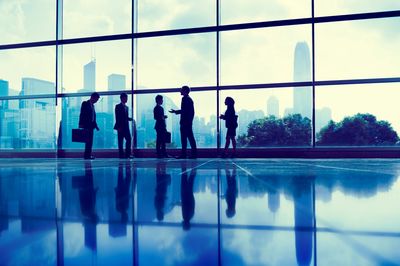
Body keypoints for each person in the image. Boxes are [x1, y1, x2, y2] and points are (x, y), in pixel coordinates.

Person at [169, 85, 197, 159]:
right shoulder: (188, 99)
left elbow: (185, 111)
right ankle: (192, 154)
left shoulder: (185, 99)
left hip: (185, 122)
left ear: (185, 91)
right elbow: (190, 112)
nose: (180, 91)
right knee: (189, 138)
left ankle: (186, 154)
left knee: (185, 138)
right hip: (187, 122)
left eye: (181, 90)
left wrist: (176, 111)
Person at [79, 92, 100, 160]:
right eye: (96, 99)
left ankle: (88, 155)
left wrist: (96, 126)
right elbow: (82, 114)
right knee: (87, 141)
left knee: (90, 141)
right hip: (86, 125)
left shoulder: (92, 106)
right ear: (93, 97)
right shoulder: (85, 103)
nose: (97, 101)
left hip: (91, 126)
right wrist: (81, 124)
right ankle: (87, 155)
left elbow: (93, 117)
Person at [114, 93, 134, 159]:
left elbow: (125, 117)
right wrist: (118, 127)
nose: (126, 99)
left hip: (126, 127)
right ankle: (121, 155)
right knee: (120, 141)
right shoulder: (118, 106)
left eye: (127, 98)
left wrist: (129, 119)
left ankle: (127, 154)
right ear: (121, 98)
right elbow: (117, 117)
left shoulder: (126, 107)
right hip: (120, 127)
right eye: (125, 98)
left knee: (129, 139)